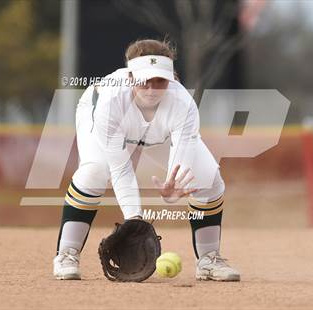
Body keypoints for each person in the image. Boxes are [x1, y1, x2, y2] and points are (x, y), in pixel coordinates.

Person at [53, 38, 240, 282]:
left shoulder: (183, 105)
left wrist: (175, 186)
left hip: (156, 133)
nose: (152, 88)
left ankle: (208, 260)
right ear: (131, 77)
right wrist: (135, 221)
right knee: (95, 172)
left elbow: (181, 160)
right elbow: (121, 169)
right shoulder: (110, 103)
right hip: (99, 115)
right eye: (144, 80)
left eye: (160, 80)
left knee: (207, 177)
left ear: (172, 78)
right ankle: (67, 254)